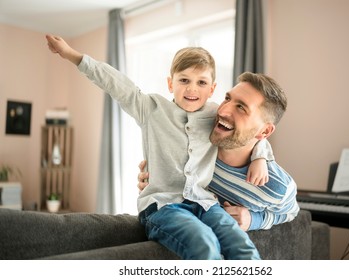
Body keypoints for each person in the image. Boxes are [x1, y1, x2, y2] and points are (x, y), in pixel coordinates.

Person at [45, 35, 274, 260]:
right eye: (184, 80)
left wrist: (260, 157)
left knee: (242, 246)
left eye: (201, 82)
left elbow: (253, 132)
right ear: (170, 83)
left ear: (212, 88)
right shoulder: (150, 108)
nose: (192, 89)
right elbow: (116, 84)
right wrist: (73, 56)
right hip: (163, 207)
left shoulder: (216, 114)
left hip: (205, 204)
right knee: (204, 243)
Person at [138, 72, 300, 232]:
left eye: (241, 108)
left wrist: (254, 219)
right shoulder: (195, 141)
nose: (222, 111)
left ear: (264, 131)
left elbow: (291, 212)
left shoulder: (277, 186)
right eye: (227, 99)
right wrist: (154, 181)